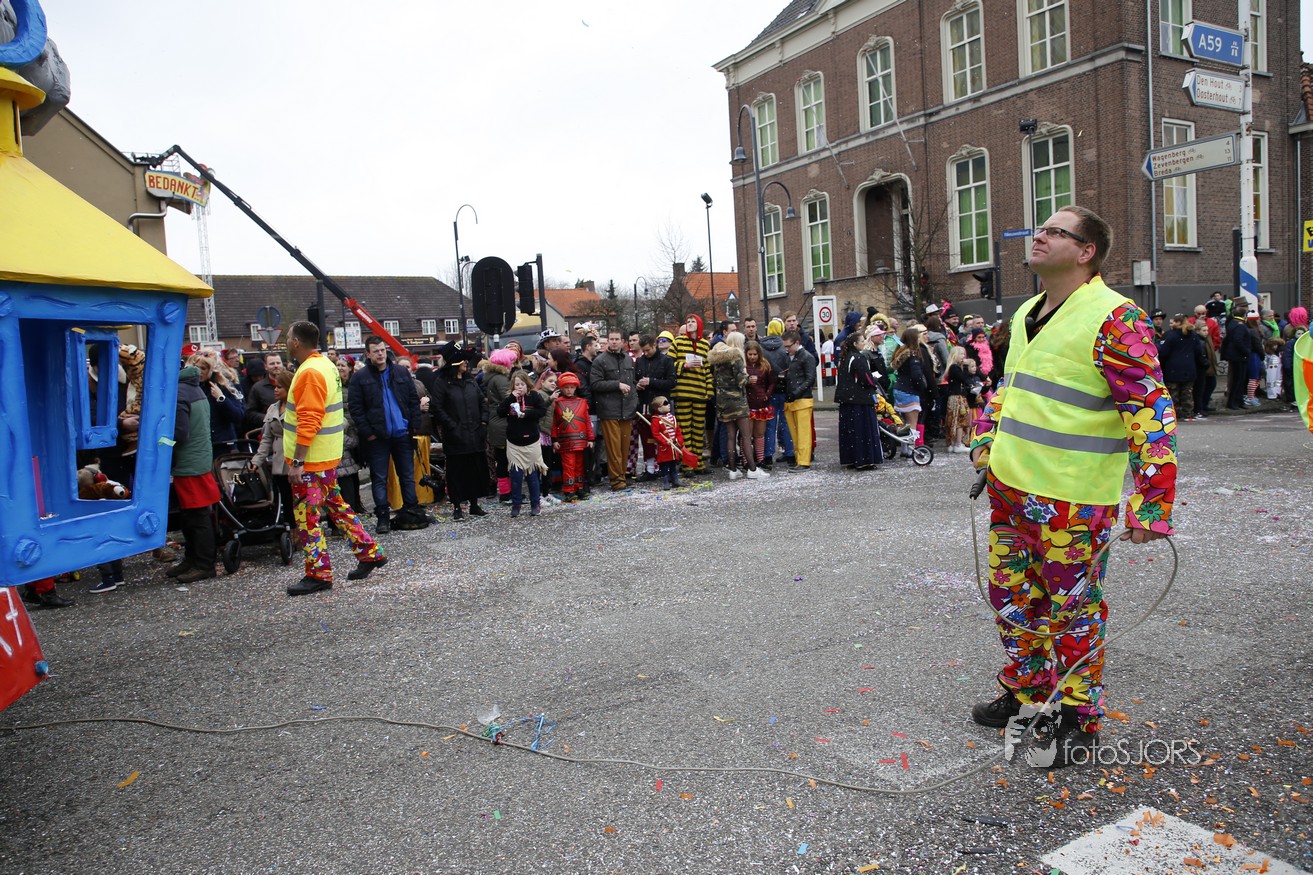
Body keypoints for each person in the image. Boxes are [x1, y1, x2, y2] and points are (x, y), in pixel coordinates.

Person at [969, 206, 1176, 769]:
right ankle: (1028, 691)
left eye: (1056, 231)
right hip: (1010, 492)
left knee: (1073, 611)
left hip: (1072, 503)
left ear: (1086, 252)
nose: (1039, 235)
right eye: (1041, 227)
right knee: (1012, 600)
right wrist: (985, 439)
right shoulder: (1028, 312)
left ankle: (1079, 718)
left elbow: (1151, 414)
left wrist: (1152, 503)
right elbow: (1010, 387)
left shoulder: (1117, 319)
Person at [282, 321, 386, 596]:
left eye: (288, 337)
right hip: (326, 456)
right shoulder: (325, 365)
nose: (287, 341)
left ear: (296, 342)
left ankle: (318, 573)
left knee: (307, 518)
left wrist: (297, 462)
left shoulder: (309, 371)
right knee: (337, 507)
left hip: (311, 460)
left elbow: (309, 420)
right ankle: (369, 552)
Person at [348, 336, 426, 534]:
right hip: (377, 437)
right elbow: (356, 409)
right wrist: (368, 433)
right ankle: (383, 516)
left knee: (407, 476)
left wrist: (413, 426)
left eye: (382, 350)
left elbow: (412, 399)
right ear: (368, 354)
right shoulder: (360, 377)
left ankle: (411, 511)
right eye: (376, 351)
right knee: (379, 478)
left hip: (402, 433)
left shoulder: (400, 372)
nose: (380, 354)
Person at [165, 360, 222, 584]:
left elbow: (179, 433)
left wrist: (161, 443)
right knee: (193, 516)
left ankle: (204, 564)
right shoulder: (194, 388)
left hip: (188, 463)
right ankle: (193, 559)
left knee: (195, 517)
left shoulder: (180, 392)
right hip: (198, 459)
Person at [430, 345, 489, 520]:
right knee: (457, 473)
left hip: (475, 433)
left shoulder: (470, 380)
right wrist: (452, 426)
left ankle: (474, 504)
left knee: (474, 470)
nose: (466, 363)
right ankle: (457, 506)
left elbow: (482, 402)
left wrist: (483, 422)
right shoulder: (442, 382)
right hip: (455, 436)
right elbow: (437, 408)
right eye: (463, 360)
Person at [710, 331, 767, 479]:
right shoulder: (736, 356)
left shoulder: (719, 358)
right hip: (737, 401)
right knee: (746, 436)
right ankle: (753, 469)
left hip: (723, 401)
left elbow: (715, 380)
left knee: (730, 436)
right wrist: (749, 379)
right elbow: (741, 380)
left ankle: (733, 470)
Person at [589, 329, 639, 491]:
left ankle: (622, 476)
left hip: (627, 409)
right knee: (614, 448)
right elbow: (595, 384)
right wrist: (617, 385)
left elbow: (632, 383)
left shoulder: (628, 359)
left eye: (617, 339)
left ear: (623, 341)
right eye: (611, 339)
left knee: (624, 446)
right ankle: (616, 480)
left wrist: (634, 401)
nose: (614, 342)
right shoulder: (600, 360)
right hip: (609, 410)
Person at [498, 369, 548, 517]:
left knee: (533, 476)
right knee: (516, 476)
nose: (519, 387)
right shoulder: (509, 398)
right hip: (514, 443)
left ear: (527, 384)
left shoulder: (534, 396)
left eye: (522, 384)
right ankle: (516, 505)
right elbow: (500, 412)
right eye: (517, 384)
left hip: (531, 441)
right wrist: (511, 399)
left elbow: (542, 411)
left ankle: (535, 504)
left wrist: (527, 414)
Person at [250, 370, 295, 526]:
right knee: (285, 498)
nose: (275, 390)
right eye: (275, 386)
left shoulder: (298, 408)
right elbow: (266, 438)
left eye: (279, 387)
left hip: (295, 459)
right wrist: (257, 460)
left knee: (299, 500)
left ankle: (300, 530)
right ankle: (289, 528)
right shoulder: (272, 408)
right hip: (278, 461)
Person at [670, 314, 712, 475]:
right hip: (682, 392)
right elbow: (668, 364)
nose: (690, 323)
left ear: (699, 324)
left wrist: (709, 390)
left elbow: (708, 370)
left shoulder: (705, 345)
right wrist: (684, 365)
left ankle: (698, 463)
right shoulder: (678, 342)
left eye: (693, 321)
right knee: (685, 430)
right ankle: (687, 464)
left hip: (700, 393)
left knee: (698, 430)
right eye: (688, 321)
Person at [834, 331, 882, 469]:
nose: (864, 343)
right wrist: (874, 381)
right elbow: (866, 378)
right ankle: (864, 459)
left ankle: (851, 458)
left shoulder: (845, 357)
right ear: (855, 344)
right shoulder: (858, 357)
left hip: (847, 399)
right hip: (860, 399)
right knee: (862, 431)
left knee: (850, 430)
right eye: (862, 341)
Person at [635, 333, 676, 480]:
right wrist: (637, 385)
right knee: (647, 438)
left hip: (661, 406)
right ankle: (650, 469)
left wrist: (651, 381)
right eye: (643, 351)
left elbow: (672, 382)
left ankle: (667, 468)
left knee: (664, 436)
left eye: (648, 350)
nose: (645, 353)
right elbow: (635, 379)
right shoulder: (640, 361)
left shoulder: (666, 361)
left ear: (655, 345)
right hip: (645, 404)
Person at [188, 353, 245, 455]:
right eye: (196, 368)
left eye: (203, 368)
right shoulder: (191, 387)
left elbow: (238, 416)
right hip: (199, 445)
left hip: (223, 445)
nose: (199, 372)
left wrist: (221, 398)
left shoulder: (226, 386)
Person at [482, 348, 519, 504]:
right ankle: (509, 493)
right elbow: (509, 399)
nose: (513, 365)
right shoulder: (501, 379)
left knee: (501, 460)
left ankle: (505, 492)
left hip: (495, 422)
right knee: (507, 460)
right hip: (503, 423)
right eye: (511, 362)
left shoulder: (491, 377)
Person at [551, 372, 594, 501]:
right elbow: (553, 422)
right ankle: (569, 490)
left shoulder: (582, 402)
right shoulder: (556, 403)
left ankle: (579, 487)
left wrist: (590, 438)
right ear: (561, 388)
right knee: (568, 465)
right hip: (565, 441)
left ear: (575, 388)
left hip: (581, 440)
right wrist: (554, 439)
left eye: (572, 387)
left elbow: (587, 421)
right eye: (566, 387)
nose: (569, 390)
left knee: (580, 465)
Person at [780, 329, 817, 469]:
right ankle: (799, 459)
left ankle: (803, 461)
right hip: (793, 399)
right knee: (795, 434)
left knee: (803, 433)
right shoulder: (791, 356)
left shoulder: (807, 357)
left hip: (802, 399)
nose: (786, 349)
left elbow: (810, 379)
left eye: (788, 346)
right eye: (785, 346)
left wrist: (795, 392)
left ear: (797, 343)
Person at [760, 319, 794, 467]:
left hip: (769, 390)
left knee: (770, 423)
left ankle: (768, 455)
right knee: (786, 423)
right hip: (784, 388)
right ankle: (790, 453)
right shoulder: (785, 346)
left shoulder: (761, 347)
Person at [889, 327, 926, 456]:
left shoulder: (901, 354)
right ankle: (911, 450)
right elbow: (916, 376)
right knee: (912, 423)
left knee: (904, 423)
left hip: (899, 389)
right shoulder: (913, 356)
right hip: (909, 390)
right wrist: (922, 387)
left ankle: (905, 449)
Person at [1158, 314, 1202, 421]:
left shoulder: (1172, 335)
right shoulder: (1193, 335)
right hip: (1189, 367)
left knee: (1174, 393)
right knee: (1187, 393)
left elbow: (1164, 352)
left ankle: (1175, 414)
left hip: (1173, 368)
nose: (1172, 323)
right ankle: (1188, 413)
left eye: (1174, 321)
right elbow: (1198, 351)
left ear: (1178, 322)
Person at [744, 339, 777, 468]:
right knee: (746, 435)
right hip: (747, 404)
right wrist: (747, 381)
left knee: (760, 434)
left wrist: (767, 394)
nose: (752, 357)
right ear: (746, 354)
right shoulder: (743, 366)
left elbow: (772, 382)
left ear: (759, 354)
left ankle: (761, 459)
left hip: (761, 404)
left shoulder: (765, 365)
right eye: (750, 354)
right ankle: (746, 461)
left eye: (755, 354)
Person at [1220, 300, 1253, 409]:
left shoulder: (1233, 323)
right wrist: (1246, 351)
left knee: (1239, 380)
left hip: (1236, 356)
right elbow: (1238, 340)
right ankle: (1233, 402)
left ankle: (1238, 401)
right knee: (1238, 380)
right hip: (1239, 356)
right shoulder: (1240, 325)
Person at [648, 395, 685, 488]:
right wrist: (665, 441)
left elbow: (678, 430)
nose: (668, 405)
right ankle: (666, 482)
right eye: (665, 404)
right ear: (659, 408)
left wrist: (678, 440)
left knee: (673, 465)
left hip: (673, 447)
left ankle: (675, 480)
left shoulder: (672, 417)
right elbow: (656, 434)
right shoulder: (656, 420)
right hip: (664, 447)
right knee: (664, 466)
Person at [942, 345, 973, 453]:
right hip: (957, 397)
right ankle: (958, 443)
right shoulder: (955, 368)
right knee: (960, 420)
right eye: (961, 354)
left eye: (964, 354)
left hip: (954, 396)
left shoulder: (953, 368)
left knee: (954, 419)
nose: (964, 356)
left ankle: (953, 442)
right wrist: (966, 367)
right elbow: (964, 379)